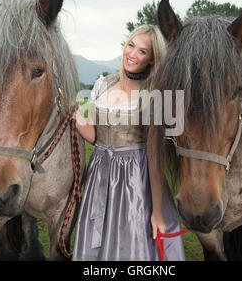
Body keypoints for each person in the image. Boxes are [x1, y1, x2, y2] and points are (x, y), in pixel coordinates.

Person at [72, 24, 185, 261]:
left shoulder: (153, 94)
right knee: (98, 237)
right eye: (131, 45)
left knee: (132, 240)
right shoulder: (103, 84)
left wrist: (157, 211)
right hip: (100, 173)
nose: (132, 54)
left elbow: (154, 156)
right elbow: (96, 136)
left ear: (152, 59)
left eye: (142, 51)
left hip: (136, 177)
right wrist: (80, 121)